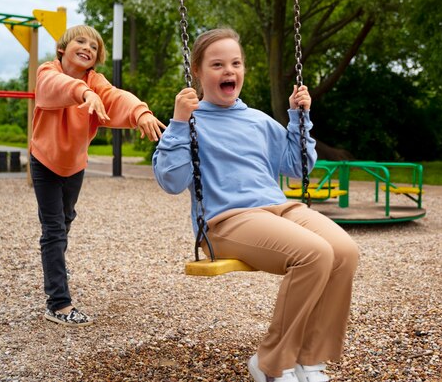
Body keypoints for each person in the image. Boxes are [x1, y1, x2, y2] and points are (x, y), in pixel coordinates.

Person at [153, 27, 359, 382]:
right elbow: (171, 181)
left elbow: (298, 168)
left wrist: (298, 117)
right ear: (198, 73)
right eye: (217, 64)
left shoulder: (258, 120)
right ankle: (271, 363)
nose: (228, 71)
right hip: (227, 221)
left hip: (278, 208)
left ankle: (309, 361)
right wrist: (177, 121)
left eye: (235, 63)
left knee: (344, 251)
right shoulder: (190, 122)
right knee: (314, 254)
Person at [31, 24, 166, 327]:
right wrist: (84, 93)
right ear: (63, 49)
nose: (87, 48)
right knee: (52, 229)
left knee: (65, 220)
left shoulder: (96, 82)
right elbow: (54, 86)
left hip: (75, 163)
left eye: (93, 47)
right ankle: (58, 304)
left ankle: (56, 265)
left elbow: (117, 97)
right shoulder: (47, 71)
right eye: (81, 41)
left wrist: (140, 113)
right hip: (44, 160)